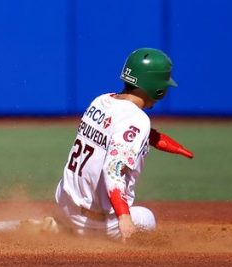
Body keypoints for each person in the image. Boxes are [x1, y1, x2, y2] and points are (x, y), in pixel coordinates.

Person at [54, 48, 193, 240]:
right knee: (147, 219)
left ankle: (62, 224)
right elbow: (113, 169)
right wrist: (124, 217)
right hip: (96, 223)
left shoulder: (101, 100)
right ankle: (79, 232)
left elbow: (121, 133)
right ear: (156, 87)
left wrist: (170, 145)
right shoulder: (138, 119)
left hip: (65, 205)